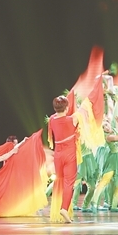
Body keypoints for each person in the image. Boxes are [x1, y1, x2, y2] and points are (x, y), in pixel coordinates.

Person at [48, 95, 79, 223]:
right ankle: (64, 208)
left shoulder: (51, 119)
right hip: (69, 154)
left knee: (59, 182)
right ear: (66, 107)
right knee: (68, 183)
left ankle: (58, 210)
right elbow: (82, 113)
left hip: (58, 155)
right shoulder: (72, 119)